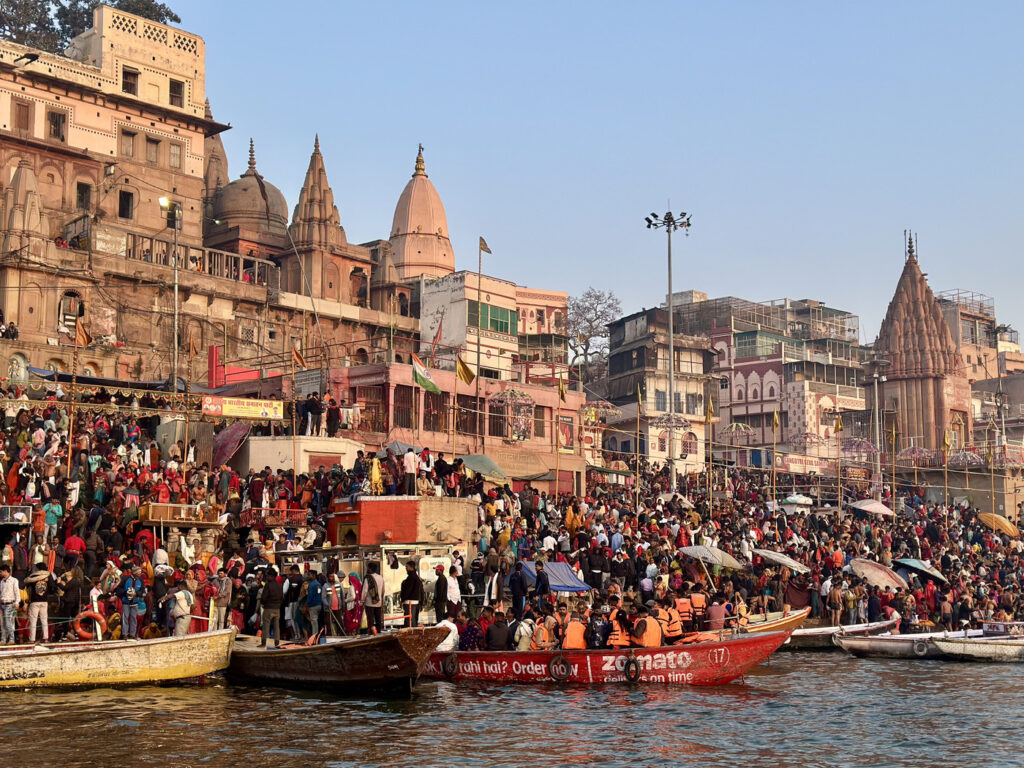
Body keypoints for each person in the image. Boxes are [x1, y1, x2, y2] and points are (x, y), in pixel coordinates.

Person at [116, 565, 147, 640]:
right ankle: (125, 634)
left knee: (134, 618)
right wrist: (125, 593)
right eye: (138, 573)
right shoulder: (125, 578)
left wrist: (136, 594)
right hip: (126, 602)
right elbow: (118, 589)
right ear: (134, 573)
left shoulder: (141, 580)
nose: (140, 574)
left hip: (135, 603)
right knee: (125, 618)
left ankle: (132, 634)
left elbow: (143, 591)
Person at [25, 563, 52, 642]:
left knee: (33, 621)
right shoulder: (48, 576)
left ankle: (32, 639)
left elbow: (27, 583)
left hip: (35, 601)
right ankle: (46, 638)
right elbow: (52, 587)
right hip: (44, 601)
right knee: (44, 620)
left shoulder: (33, 576)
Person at [258, 567, 283, 647]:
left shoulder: (268, 585)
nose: (267, 577)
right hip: (277, 608)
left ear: (271, 576)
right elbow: (282, 597)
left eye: (268, 576)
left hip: (268, 607)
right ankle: (277, 642)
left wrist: (262, 603)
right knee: (277, 626)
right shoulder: (279, 585)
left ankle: (263, 643)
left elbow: (264, 597)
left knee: (266, 626)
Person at [361, 562, 385, 634]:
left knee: (370, 620)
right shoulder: (380, 578)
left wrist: (362, 600)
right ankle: (379, 632)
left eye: (368, 568)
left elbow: (365, 591)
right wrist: (381, 599)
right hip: (379, 602)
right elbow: (383, 590)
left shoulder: (367, 578)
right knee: (378, 619)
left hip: (369, 603)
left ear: (370, 569)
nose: (367, 569)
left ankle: (371, 634)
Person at [400, 560, 425, 627]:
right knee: (414, 620)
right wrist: (421, 602)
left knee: (409, 621)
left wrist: (402, 600)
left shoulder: (410, 578)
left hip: (409, 602)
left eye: (407, 567)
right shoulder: (417, 578)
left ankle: (410, 635)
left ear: (411, 568)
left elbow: (407, 590)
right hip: (416, 602)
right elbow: (422, 591)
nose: (406, 569)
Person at [0, 563, 18, 644]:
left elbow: (17, 592)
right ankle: (3, 639)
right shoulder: (1, 582)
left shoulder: (14, 580)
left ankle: (11, 639)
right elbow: (1, 593)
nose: (0, 573)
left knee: (8, 621)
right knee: (3, 623)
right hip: (2, 603)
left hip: (10, 603)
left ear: (5, 571)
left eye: (1, 571)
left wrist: (17, 602)